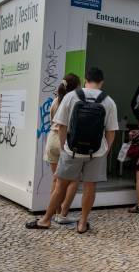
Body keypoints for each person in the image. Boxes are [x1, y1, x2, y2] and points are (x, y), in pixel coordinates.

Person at [26, 67, 118, 234]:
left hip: (71, 149)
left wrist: (63, 147)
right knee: (90, 186)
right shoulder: (109, 101)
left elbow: (61, 125)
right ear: (101, 82)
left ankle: (46, 220)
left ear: (85, 80)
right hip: (96, 152)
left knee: (61, 184)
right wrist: (105, 150)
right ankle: (82, 223)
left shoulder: (71, 96)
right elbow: (111, 132)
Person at [43, 73, 81, 224]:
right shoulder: (72, 101)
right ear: (76, 86)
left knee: (56, 180)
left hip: (51, 140)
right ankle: (63, 214)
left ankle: (55, 213)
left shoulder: (55, 101)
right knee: (74, 179)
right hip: (64, 140)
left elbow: (52, 121)